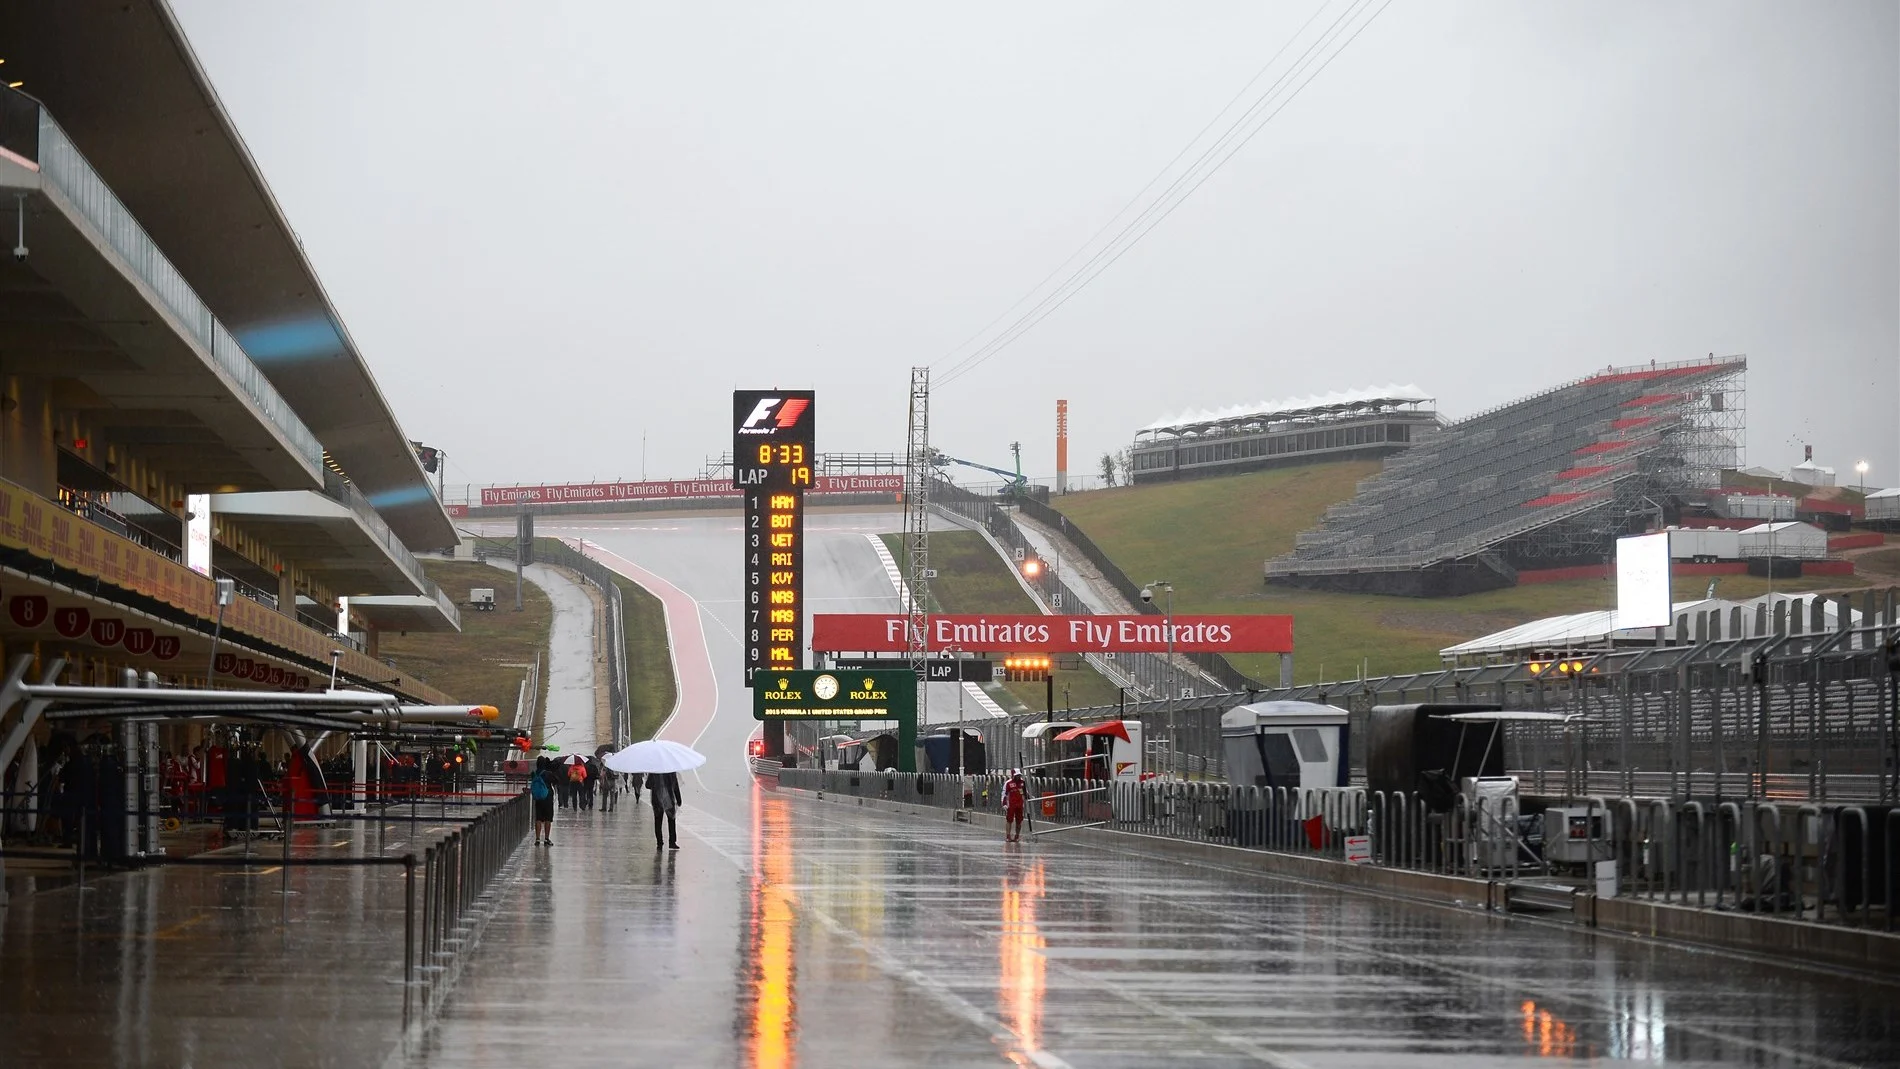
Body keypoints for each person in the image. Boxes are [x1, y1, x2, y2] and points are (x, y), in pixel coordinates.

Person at [648, 771, 682, 849]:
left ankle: (659, 842)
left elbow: (648, 785)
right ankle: (672, 842)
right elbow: (675, 786)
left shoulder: (654, 771)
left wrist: (656, 783)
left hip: (657, 799)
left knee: (658, 821)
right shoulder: (671, 771)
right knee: (671, 820)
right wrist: (679, 799)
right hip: (669, 799)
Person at [530, 757, 557, 845]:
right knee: (548, 818)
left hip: (538, 798)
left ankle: (537, 838)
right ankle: (546, 838)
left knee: (538, 818)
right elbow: (556, 781)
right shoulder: (548, 773)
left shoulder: (534, 773)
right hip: (547, 797)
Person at [1003, 769, 1028, 843]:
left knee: (1019, 821)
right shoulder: (1008, 783)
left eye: (1019, 775)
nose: (1018, 776)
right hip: (1011, 805)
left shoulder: (1022, 782)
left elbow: (1025, 792)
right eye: (1017, 775)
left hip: (1020, 805)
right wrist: (1004, 803)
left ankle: (1017, 836)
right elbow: (1004, 794)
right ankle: (1008, 836)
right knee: (1009, 820)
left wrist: (1028, 797)